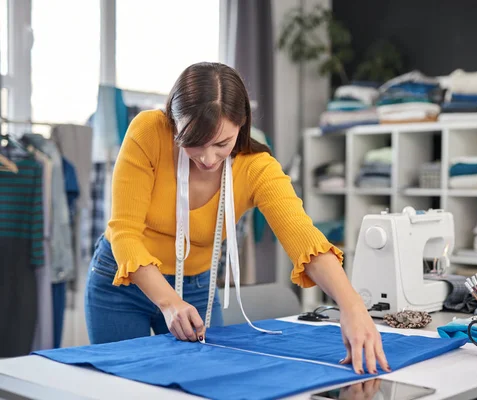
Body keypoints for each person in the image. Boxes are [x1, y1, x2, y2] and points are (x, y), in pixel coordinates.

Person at [84, 62, 390, 375]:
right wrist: (169, 302)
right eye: (192, 142)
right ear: (174, 123)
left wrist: (351, 306)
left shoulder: (256, 167)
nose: (207, 158)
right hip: (120, 285)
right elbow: (124, 232)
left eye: (221, 144)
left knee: (203, 384)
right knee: (122, 388)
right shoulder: (148, 132)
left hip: (196, 289)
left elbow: (304, 238)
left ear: (242, 125)